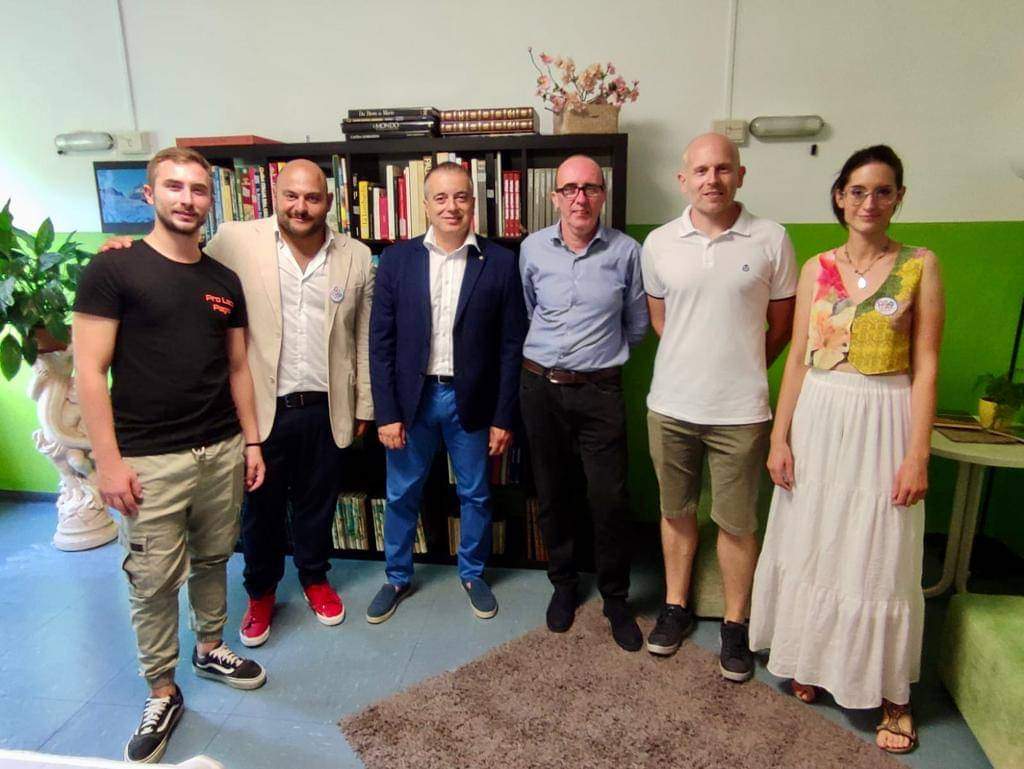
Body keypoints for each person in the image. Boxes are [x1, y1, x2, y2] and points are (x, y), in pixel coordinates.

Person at [101, 159, 375, 647]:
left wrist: (364, 406)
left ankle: (315, 578)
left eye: (312, 197)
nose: (301, 206)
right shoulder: (234, 239)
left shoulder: (355, 255)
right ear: (275, 195)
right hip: (258, 409)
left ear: (328, 202)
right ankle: (261, 591)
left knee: (317, 505)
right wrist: (129, 250)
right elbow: (178, 259)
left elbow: (362, 338)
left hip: (328, 406)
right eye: (291, 195)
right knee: (259, 511)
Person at [74, 146, 267, 764]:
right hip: (149, 459)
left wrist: (251, 441)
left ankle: (210, 647)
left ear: (211, 200)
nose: (187, 199)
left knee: (214, 558)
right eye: (174, 186)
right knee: (154, 580)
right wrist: (108, 463)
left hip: (221, 448)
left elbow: (237, 367)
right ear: (149, 194)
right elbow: (88, 371)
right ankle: (161, 688)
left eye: (198, 189)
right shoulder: (114, 270)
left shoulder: (223, 282)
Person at [749, 145, 943, 755]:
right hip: (820, 417)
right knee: (816, 541)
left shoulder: (920, 266)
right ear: (840, 196)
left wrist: (917, 454)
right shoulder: (817, 267)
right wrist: (780, 437)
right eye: (858, 190)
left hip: (885, 417)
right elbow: (798, 361)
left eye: (883, 191)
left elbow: (927, 365)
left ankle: (893, 695)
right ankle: (812, 658)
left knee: (880, 552)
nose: (869, 202)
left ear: (899, 198)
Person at [641, 133, 797, 679]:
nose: (713, 179)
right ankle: (675, 607)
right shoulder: (659, 243)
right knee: (676, 511)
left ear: (740, 175)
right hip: (671, 406)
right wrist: (694, 361)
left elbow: (782, 328)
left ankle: (735, 623)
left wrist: (740, 367)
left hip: (741, 412)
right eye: (702, 170)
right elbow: (661, 320)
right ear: (684, 179)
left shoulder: (772, 239)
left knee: (736, 521)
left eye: (723, 169)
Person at [367, 161, 526, 623]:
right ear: (425, 205)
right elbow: (380, 343)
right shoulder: (397, 260)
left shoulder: (500, 262)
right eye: (441, 197)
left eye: (460, 197)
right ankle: (397, 576)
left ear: (473, 203)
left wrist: (503, 416)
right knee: (401, 494)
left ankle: (472, 574)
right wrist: (386, 413)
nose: (451, 206)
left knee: (475, 494)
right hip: (411, 402)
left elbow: (511, 347)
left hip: (470, 401)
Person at [519, 154, 649, 651]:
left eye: (590, 188)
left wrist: (597, 360)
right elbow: (530, 310)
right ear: (555, 197)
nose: (580, 198)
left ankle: (615, 597)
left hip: (600, 391)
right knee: (553, 494)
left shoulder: (627, 252)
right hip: (540, 388)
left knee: (609, 498)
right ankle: (564, 585)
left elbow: (636, 324)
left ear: (602, 196)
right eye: (570, 189)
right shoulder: (532, 249)